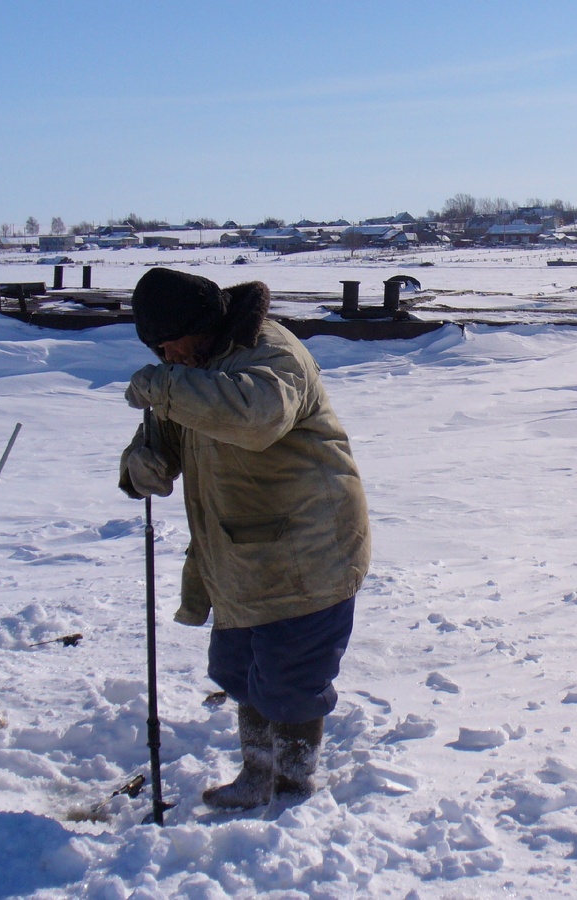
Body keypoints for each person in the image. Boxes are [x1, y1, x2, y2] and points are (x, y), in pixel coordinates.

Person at [118, 266, 371, 809]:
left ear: (200, 324)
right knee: (240, 671)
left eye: (170, 345)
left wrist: (164, 386)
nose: (168, 359)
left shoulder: (272, 353)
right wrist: (144, 461)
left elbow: (256, 417)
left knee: (291, 679)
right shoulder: (192, 364)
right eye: (157, 353)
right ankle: (258, 773)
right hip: (239, 556)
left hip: (308, 552)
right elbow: (167, 427)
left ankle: (291, 784)